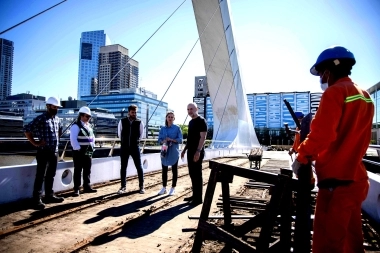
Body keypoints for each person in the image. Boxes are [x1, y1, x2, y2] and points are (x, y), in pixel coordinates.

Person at [292, 46, 374, 253]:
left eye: (320, 74)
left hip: (336, 184)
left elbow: (322, 134)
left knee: (327, 245)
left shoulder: (335, 93)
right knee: (351, 241)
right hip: (356, 180)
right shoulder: (365, 96)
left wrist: (302, 157)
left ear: (328, 71)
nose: (321, 78)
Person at [24, 96, 65, 209]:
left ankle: (49, 195)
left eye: (57, 107)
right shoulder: (41, 118)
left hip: (54, 151)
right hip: (43, 151)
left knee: (51, 175)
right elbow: (27, 130)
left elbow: (59, 131)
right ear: (48, 106)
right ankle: (36, 199)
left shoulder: (57, 119)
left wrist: (58, 135)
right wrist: (35, 143)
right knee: (40, 175)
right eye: (54, 106)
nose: (56, 109)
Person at [181, 103, 207, 205]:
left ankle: (198, 198)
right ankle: (194, 195)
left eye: (191, 109)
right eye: (188, 109)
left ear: (196, 109)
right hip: (190, 151)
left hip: (197, 151)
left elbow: (203, 137)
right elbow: (189, 139)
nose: (190, 111)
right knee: (192, 174)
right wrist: (184, 150)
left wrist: (198, 151)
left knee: (197, 174)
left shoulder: (201, 121)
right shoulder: (191, 122)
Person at [117, 104, 145, 194]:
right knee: (123, 167)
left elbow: (141, 135)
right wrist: (125, 142)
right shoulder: (122, 121)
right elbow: (119, 134)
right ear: (129, 112)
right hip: (124, 147)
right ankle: (123, 186)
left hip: (135, 147)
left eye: (135, 112)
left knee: (139, 166)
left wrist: (136, 141)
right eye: (132, 112)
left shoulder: (139, 122)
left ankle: (141, 186)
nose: (134, 114)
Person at [69, 106, 97, 196]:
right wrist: (78, 149)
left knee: (87, 169)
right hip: (79, 151)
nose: (88, 118)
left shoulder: (89, 126)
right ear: (81, 116)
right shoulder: (75, 126)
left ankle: (87, 186)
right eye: (86, 116)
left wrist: (93, 146)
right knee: (78, 169)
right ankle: (76, 188)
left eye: (89, 117)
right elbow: (73, 139)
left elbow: (92, 138)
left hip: (88, 151)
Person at [157, 112, 183, 196]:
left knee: (174, 170)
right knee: (164, 170)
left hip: (173, 151)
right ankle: (164, 187)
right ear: (166, 118)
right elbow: (159, 140)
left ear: (174, 118)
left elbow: (180, 139)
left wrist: (172, 139)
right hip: (164, 151)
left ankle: (173, 188)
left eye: (172, 117)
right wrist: (163, 140)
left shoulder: (177, 128)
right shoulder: (162, 129)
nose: (170, 118)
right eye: (169, 117)